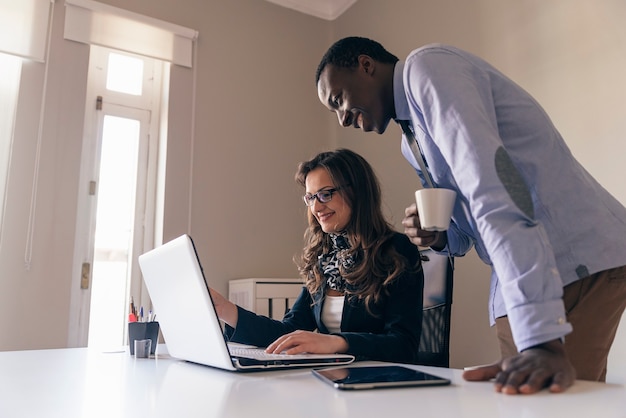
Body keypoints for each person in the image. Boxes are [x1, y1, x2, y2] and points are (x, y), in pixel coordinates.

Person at [315, 36, 626, 394]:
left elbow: (493, 188)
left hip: (572, 252)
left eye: (338, 100)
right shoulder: (410, 141)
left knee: (555, 402)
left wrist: (541, 337)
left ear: (366, 65)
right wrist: (440, 236)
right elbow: (466, 231)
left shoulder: (426, 69)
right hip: (516, 275)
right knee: (524, 399)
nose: (342, 118)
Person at [210, 148, 425, 364]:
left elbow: (403, 345)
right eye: (310, 197)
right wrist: (226, 310)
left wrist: (337, 342)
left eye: (325, 194)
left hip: (382, 384)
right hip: (335, 379)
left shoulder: (396, 250)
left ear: (357, 192)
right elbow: (289, 332)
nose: (316, 207)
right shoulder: (324, 258)